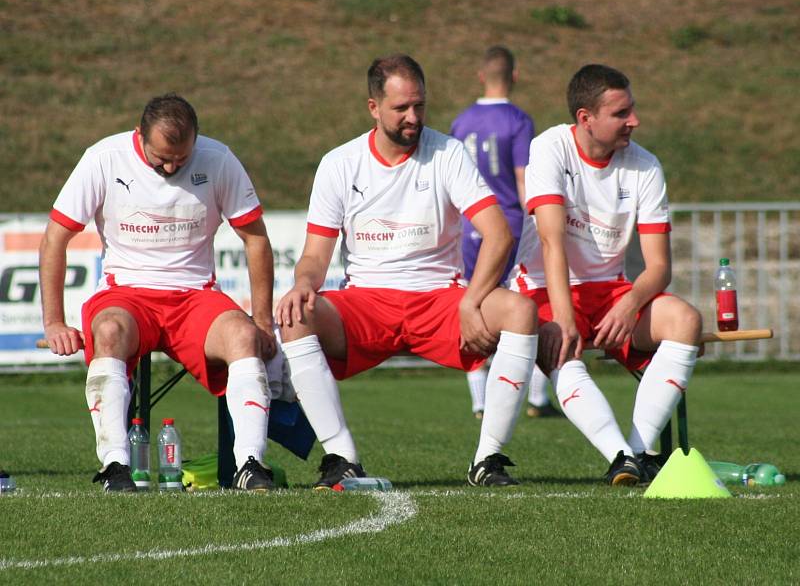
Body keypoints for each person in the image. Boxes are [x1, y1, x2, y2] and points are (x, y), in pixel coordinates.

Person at [276, 54, 539, 488]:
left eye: (419, 105)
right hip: (366, 302)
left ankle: (487, 459)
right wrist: (303, 284)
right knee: (294, 314)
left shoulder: (448, 152)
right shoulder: (339, 163)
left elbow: (498, 233)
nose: (413, 117)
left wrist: (472, 300)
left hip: (440, 299)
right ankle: (341, 458)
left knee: (521, 313)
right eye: (401, 108)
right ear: (373, 108)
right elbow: (315, 257)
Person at [39, 94, 277, 492]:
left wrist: (264, 321)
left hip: (195, 296)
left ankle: (250, 464)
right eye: (160, 158)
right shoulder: (104, 157)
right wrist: (53, 321)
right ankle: (115, 466)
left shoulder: (218, 160)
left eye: (181, 160)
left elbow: (256, 240)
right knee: (109, 331)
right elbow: (54, 240)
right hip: (127, 294)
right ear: (139, 136)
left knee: (243, 336)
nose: (170, 168)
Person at [510, 64, 702, 486]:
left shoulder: (646, 166)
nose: (634, 121)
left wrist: (630, 302)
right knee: (560, 342)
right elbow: (551, 243)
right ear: (585, 118)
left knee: (686, 321)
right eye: (621, 113)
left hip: (613, 291)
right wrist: (563, 316)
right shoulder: (550, 147)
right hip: (546, 286)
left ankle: (634, 453)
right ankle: (619, 454)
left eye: (631, 110)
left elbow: (659, 268)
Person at [451, 46, 560, 420]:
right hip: (508, 225)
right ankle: (536, 399)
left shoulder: (461, 122)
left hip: (469, 227)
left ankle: (479, 401)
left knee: (473, 305)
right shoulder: (518, 120)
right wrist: (539, 221)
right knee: (524, 305)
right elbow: (522, 178)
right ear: (515, 76)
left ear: (481, 76)